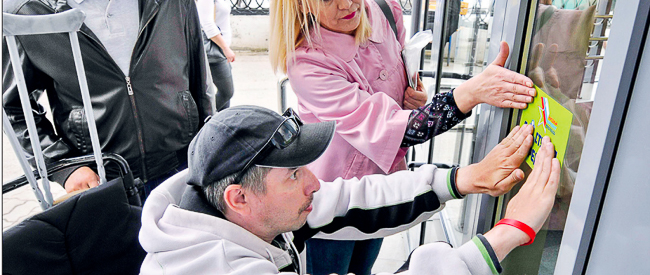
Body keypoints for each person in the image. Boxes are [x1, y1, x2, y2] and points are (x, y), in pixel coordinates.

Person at [269, 0, 537, 275]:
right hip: (330, 199)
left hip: (387, 183)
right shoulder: (307, 63)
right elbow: (398, 130)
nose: (348, 3)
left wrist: (412, 94)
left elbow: (400, 79)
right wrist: (472, 93)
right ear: (301, 1)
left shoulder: (383, 9)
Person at [139, 105, 561, 275]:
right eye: (293, 175)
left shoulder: (237, 210)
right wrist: (509, 232)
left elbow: (352, 199)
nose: (314, 182)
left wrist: (460, 179)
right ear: (240, 198)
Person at [3, 0, 213, 199]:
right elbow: (14, 108)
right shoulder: (26, 14)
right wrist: (64, 166)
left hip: (181, 173)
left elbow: (201, 88)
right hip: (102, 184)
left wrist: (210, 157)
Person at [195, 0, 235, 111]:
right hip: (216, 51)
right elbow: (207, 24)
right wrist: (226, 49)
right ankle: (206, 122)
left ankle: (222, 128)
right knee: (227, 92)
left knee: (225, 95)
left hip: (219, 51)